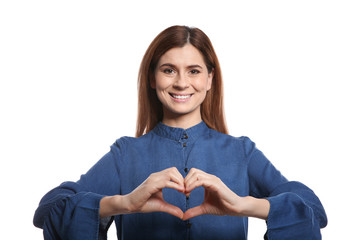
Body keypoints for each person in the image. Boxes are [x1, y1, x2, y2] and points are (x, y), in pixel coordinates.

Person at [33, 25, 327, 240]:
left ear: (210, 79)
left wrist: (244, 205)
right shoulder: (125, 154)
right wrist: (123, 203)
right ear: (152, 77)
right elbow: (47, 212)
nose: (181, 82)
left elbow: (314, 211)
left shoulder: (241, 153)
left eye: (194, 71)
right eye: (169, 70)